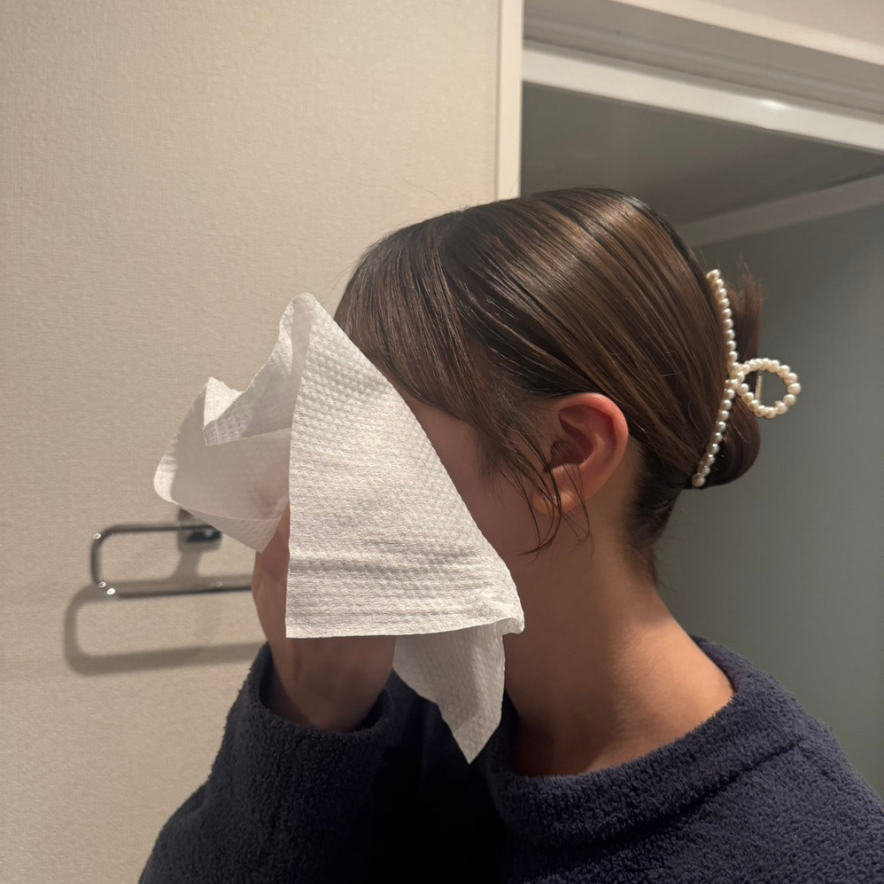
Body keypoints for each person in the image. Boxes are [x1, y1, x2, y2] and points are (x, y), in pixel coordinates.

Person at [139, 187, 884, 883]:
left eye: (367, 413)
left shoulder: (813, 852)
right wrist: (311, 713)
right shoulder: (423, 707)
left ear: (566, 454)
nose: (316, 458)